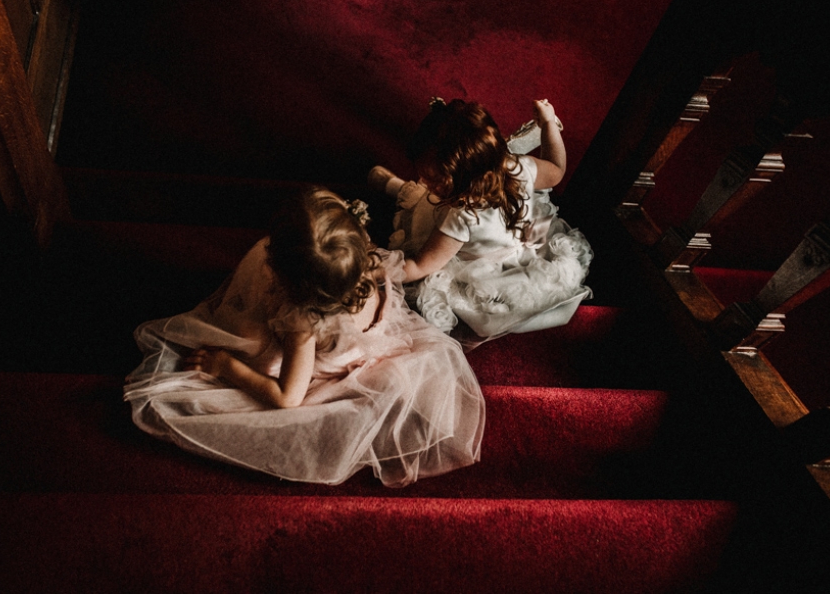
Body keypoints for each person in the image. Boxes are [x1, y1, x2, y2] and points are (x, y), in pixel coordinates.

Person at [124, 187, 485, 487]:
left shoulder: (302, 323)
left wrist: (225, 366)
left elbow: (287, 398)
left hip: (338, 364)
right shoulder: (367, 260)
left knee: (235, 354)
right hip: (387, 339)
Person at [369, 98, 593, 349]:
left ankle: (399, 188)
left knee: (423, 206)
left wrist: (377, 271)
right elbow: (556, 168)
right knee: (427, 200)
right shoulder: (516, 167)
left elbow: (421, 265)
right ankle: (398, 187)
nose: (425, 180)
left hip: (487, 272)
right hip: (527, 242)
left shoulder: (459, 216)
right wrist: (549, 122)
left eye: (433, 179)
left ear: (468, 181)